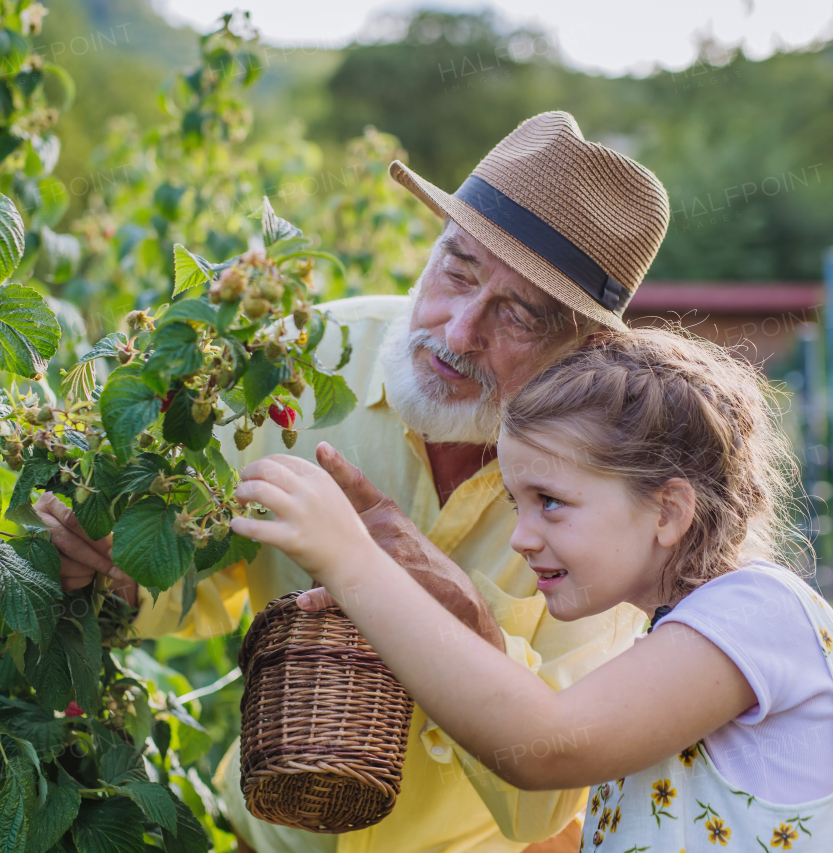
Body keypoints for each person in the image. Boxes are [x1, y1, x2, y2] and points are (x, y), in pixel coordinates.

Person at [37, 110, 673, 853]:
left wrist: (460, 616)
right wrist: (115, 570)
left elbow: (555, 794)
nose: (459, 329)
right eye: (457, 269)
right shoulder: (305, 364)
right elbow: (201, 584)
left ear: (584, 349)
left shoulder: (610, 487)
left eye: (518, 315)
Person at [229, 328, 833, 853]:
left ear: (668, 511)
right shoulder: (683, 636)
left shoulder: (760, 612)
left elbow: (545, 743)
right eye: (517, 502)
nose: (522, 536)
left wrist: (351, 561)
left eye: (551, 502)